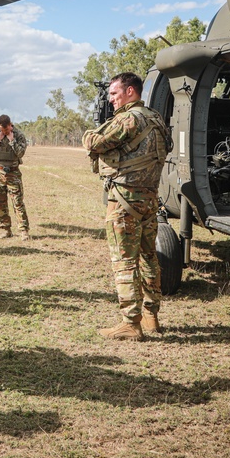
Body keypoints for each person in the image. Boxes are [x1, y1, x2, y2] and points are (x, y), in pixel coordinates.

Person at [82, 72, 170, 341]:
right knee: (149, 258)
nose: (111, 100)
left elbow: (94, 142)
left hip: (124, 201)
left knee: (124, 262)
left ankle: (131, 322)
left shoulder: (128, 118)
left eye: (114, 94)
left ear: (130, 91)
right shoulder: (156, 118)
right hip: (149, 200)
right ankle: (151, 315)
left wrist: (89, 134)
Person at [0, 114, 31, 240]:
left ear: (10, 125)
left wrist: (12, 141)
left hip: (13, 173)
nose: (4, 132)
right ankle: (5, 229)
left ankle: (23, 230)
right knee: (0, 203)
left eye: (6, 129)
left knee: (18, 202)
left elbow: (20, 153)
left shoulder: (18, 135)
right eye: (2, 129)